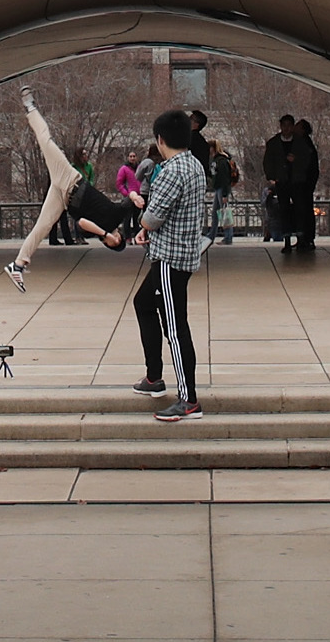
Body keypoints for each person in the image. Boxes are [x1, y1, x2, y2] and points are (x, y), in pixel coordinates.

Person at [4, 89, 140, 291]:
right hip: (70, 180)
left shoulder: (96, 232)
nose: (112, 241)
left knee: (42, 227)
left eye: (112, 245)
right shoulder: (115, 217)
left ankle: (18, 265)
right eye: (116, 241)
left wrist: (104, 234)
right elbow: (128, 200)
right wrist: (136, 196)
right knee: (46, 141)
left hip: (63, 197)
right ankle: (30, 107)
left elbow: (82, 222)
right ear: (119, 236)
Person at [129, 108, 211, 424]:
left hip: (169, 260)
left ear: (160, 139)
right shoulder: (194, 165)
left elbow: (152, 216)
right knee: (143, 304)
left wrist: (142, 219)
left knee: (175, 328)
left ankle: (188, 399)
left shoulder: (171, 170)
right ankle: (154, 378)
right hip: (184, 254)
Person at [278, 117, 323, 251]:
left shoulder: (304, 144)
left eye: (297, 126)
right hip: (303, 182)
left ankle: (307, 238)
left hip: (304, 183)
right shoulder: (305, 143)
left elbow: (308, 165)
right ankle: (304, 238)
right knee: (303, 210)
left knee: (305, 211)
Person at [261, 116, 294, 242]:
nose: (286, 129)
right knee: (283, 210)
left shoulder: (298, 143)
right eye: (284, 125)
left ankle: (300, 237)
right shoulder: (273, 143)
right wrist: (272, 177)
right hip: (281, 181)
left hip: (296, 181)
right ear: (280, 126)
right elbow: (267, 162)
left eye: (289, 125)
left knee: (297, 210)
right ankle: (286, 239)